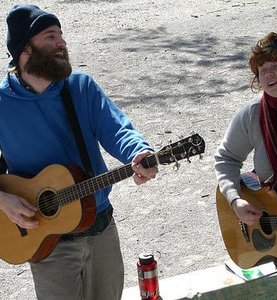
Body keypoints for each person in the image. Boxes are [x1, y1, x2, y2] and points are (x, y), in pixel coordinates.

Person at [0, 4, 158, 300]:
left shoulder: (80, 88)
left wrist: (138, 151)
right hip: (46, 240)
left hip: (100, 227)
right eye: (50, 37)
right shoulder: (2, 105)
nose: (62, 42)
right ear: (24, 50)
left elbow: (117, 128)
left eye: (61, 35)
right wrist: (3, 200)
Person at [214, 31, 277, 299]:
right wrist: (235, 200)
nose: (268, 75)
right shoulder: (253, 114)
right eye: (262, 70)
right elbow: (226, 158)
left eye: (276, 66)